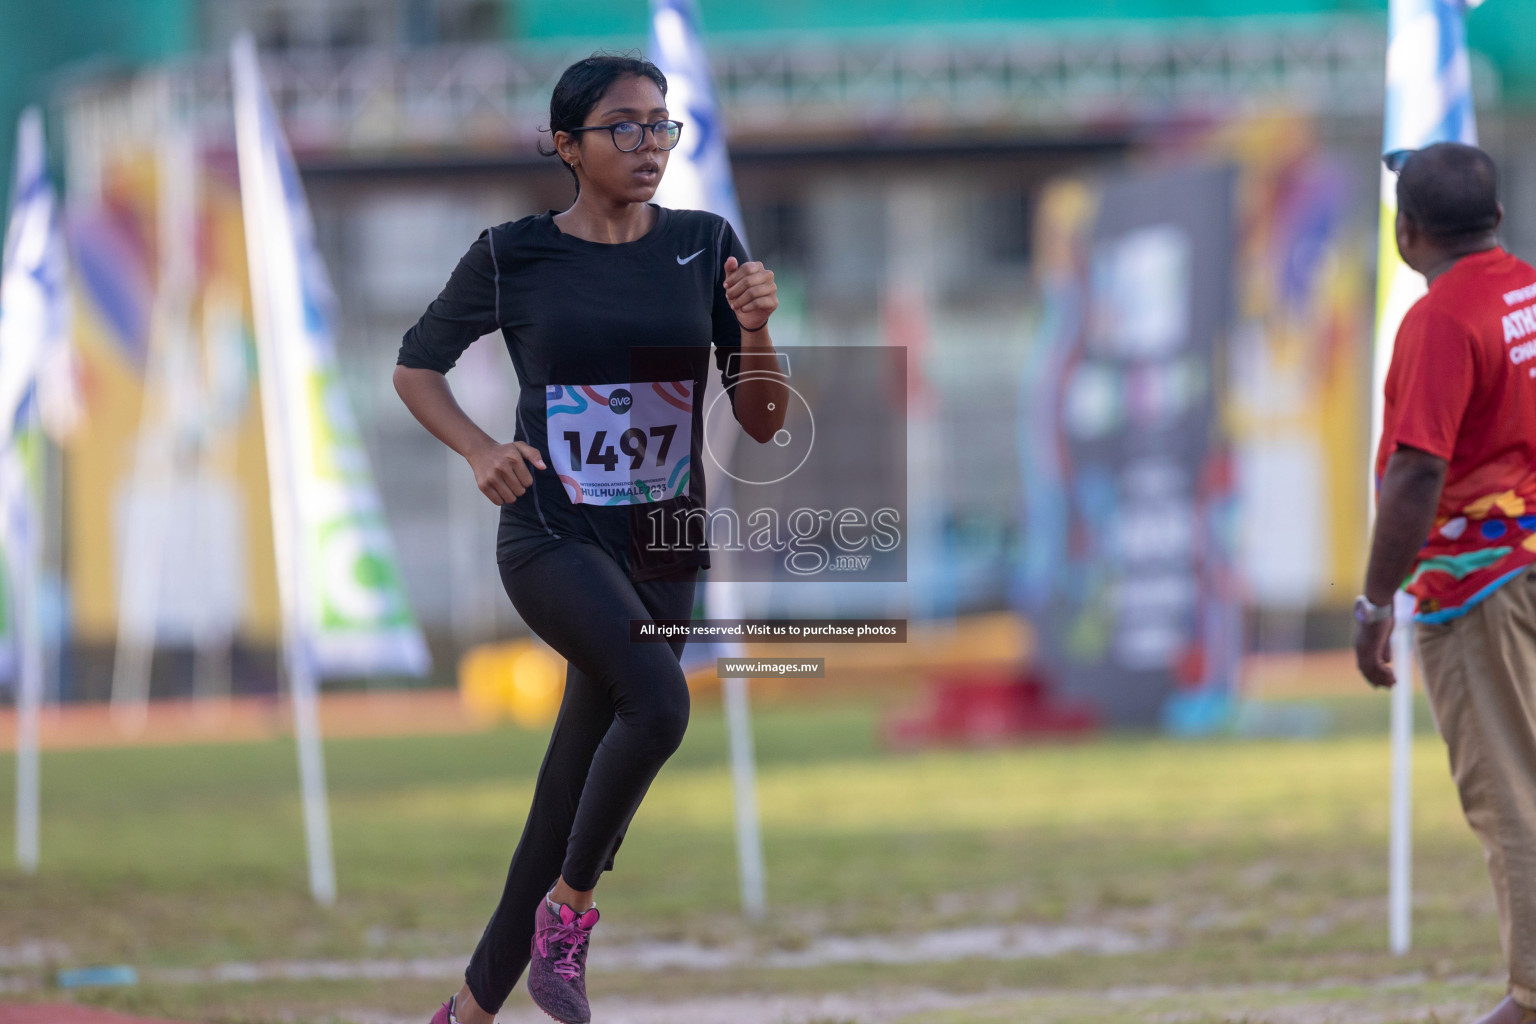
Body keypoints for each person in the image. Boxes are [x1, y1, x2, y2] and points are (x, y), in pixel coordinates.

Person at [394, 53, 788, 1024]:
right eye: (624, 126)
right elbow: (416, 367)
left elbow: (768, 418)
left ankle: (467, 1013)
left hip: (662, 539)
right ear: (567, 145)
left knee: (567, 787)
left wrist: (758, 330)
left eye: (661, 125)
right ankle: (565, 929)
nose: (649, 143)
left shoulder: (705, 244)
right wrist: (480, 447)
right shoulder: (512, 255)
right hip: (551, 534)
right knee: (657, 703)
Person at [1355, 141, 1536, 1024]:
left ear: (1407, 232)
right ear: (1497, 219)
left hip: (1483, 591)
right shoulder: (1528, 290)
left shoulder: (1438, 323)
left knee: (1510, 795)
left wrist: (1373, 598)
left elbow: (1416, 473)